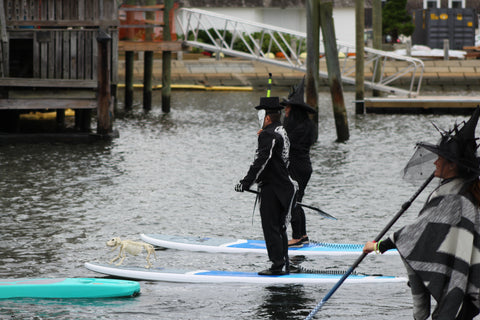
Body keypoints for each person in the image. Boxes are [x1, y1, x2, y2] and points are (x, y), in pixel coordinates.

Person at [363, 107, 480, 320]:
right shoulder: (463, 187)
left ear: (452, 165)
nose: (435, 162)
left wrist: (378, 247)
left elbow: (415, 233)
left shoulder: (453, 197)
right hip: (471, 280)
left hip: (465, 284)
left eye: (440, 158)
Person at [235, 96, 298, 276]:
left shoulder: (269, 134)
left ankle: (278, 266)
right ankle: (283, 263)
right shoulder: (280, 130)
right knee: (279, 228)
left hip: (274, 189)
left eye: (260, 117)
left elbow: (261, 161)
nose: (259, 120)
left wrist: (245, 182)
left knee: (271, 228)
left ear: (267, 117)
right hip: (284, 187)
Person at [281, 77, 317, 247]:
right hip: (305, 167)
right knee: (297, 200)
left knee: (292, 201)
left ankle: (296, 237)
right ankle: (302, 235)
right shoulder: (307, 125)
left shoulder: (294, 127)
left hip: (296, 166)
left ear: (294, 110)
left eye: (287, 107)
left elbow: (285, 145)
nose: (285, 110)